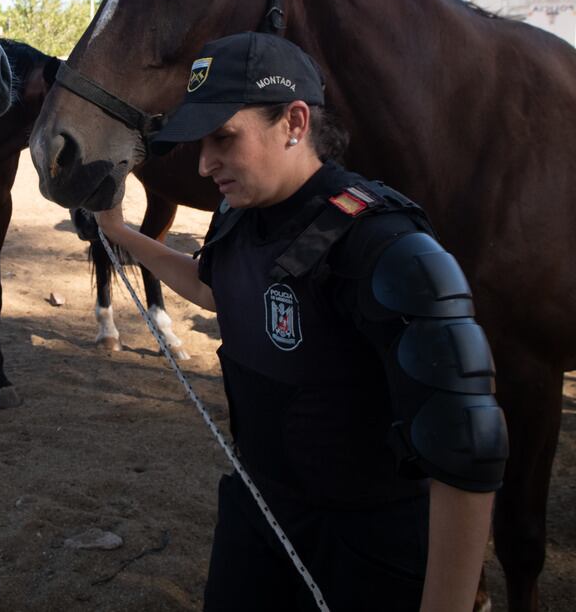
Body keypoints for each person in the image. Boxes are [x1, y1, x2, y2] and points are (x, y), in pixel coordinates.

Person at [93, 31, 507, 612]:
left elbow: (467, 447)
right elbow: (219, 288)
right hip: (258, 510)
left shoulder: (388, 245)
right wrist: (117, 231)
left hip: (369, 543)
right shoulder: (239, 212)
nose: (206, 163)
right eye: (200, 142)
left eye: (223, 138)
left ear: (293, 121)